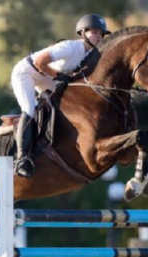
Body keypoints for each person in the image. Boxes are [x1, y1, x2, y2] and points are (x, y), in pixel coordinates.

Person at [11, 13, 111, 177]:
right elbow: (39, 62)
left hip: (46, 77)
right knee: (29, 108)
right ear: (83, 33)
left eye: (101, 34)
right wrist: (58, 77)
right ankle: (22, 159)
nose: (99, 37)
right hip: (26, 72)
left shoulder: (91, 55)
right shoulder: (70, 47)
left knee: (65, 105)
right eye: (94, 32)